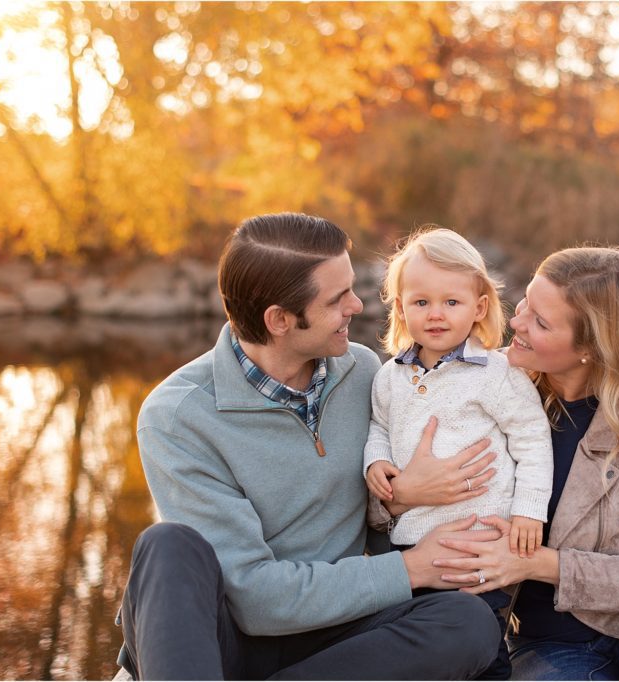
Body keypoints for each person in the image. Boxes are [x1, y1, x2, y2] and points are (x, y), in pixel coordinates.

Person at [115, 212, 504, 681]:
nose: (358, 307)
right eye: (337, 299)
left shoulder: (363, 372)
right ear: (279, 320)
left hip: (337, 637)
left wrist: (403, 500)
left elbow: (382, 528)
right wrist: (412, 569)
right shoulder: (179, 416)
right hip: (224, 640)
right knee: (167, 545)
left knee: (468, 624)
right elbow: (254, 599)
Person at [371, 246, 619, 681]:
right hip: (549, 639)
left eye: (541, 323)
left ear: (592, 347)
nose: (516, 323)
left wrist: (538, 564)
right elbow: (374, 504)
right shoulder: (484, 382)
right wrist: (401, 497)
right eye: (527, 302)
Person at [363, 228, 554, 679]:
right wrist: (376, 461)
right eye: (421, 302)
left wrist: (529, 512)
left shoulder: (497, 372)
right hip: (410, 540)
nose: (436, 314)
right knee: (425, 646)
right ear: (400, 307)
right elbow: (379, 427)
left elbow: (532, 439)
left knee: (481, 641)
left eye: (452, 302)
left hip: (482, 540)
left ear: (479, 307)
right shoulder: (389, 377)